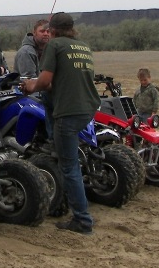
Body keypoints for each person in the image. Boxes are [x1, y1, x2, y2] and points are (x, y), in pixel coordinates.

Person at [20, 12, 100, 235]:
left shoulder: (54, 46)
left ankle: (82, 220)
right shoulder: (83, 46)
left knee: (69, 167)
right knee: (66, 151)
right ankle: (54, 141)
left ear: (53, 30)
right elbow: (65, 81)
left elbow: (45, 81)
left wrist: (29, 86)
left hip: (68, 113)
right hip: (88, 108)